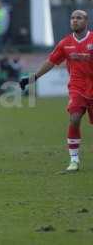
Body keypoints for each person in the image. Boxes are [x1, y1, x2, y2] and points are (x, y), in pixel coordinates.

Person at [19, 10, 93, 172]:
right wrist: (34, 77)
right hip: (77, 87)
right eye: (72, 18)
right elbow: (51, 62)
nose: (74, 21)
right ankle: (74, 160)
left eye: (78, 18)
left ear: (86, 21)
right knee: (74, 118)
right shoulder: (65, 43)